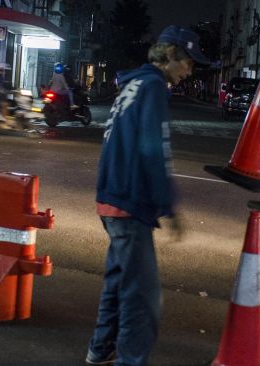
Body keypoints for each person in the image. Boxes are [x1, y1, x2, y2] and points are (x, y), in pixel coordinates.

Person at [86, 25, 209, 366]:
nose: (189, 71)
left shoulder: (134, 83)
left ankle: (100, 348)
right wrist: (169, 207)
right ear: (170, 55)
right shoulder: (153, 86)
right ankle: (129, 359)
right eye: (188, 62)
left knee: (118, 280)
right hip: (130, 200)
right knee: (143, 298)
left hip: (110, 195)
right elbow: (154, 150)